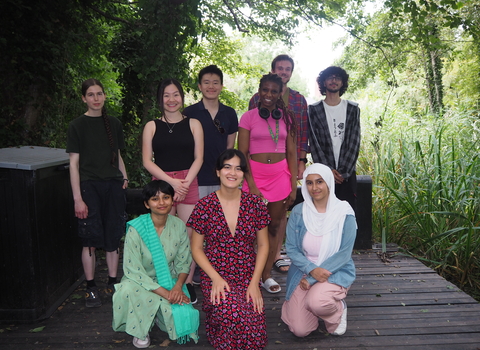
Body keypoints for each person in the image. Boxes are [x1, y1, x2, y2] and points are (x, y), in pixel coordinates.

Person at [187, 149, 270, 349]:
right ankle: (217, 323)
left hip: (247, 275)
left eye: (238, 168)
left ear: (243, 174)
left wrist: (255, 283)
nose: (232, 173)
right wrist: (215, 278)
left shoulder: (255, 204)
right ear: (218, 171)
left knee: (255, 336)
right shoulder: (204, 206)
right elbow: (196, 248)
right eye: (227, 167)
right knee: (231, 314)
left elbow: (263, 245)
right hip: (216, 274)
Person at [112, 180, 199, 348]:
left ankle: (156, 316)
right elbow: (133, 270)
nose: (161, 203)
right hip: (139, 282)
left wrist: (177, 287)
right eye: (155, 199)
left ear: (172, 200)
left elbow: (183, 262)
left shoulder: (179, 225)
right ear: (146, 204)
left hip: (167, 279)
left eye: (166, 197)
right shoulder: (136, 229)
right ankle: (140, 330)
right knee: (126, 290)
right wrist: (167, 295)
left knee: (182, 319)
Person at [66, 78, 128, 308]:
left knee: (113, 237)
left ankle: (113, 283)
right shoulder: (77, 126)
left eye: (99, 94)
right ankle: (91, 287)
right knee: (90, 240)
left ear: (104, 96)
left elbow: (118, 156)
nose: (96, 98)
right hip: (88, 187)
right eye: (90, 94)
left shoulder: (113, 123)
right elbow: (73, 164)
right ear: (84, 98)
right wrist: (77, 199)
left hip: (113, 185)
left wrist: (124, 177)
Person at [142, 78, 204, 303]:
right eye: (167, 95)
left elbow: (199, 158)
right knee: (163, 236)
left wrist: (184, 183)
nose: (171, 99)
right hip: (161, 183)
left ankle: (187, 283)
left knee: (189, 236)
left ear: (182, 96)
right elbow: (147, 161)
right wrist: (172, 183)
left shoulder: (194, 124)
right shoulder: (152, 126)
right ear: (161, 98)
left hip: (189, 181)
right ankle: (165, 282)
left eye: (175, 94)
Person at [281, 163, 357, 337]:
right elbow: (291, 248)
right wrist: (311, 270)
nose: (314, 188)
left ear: (329, 182)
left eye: (319, 182)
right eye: (309, 183)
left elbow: (344, 253)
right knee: (300, 330)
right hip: (304, 270)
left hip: (334, 270)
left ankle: (336, 310)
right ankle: (306, 306)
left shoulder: (344, 213)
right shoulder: (299, 212)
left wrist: (314, 278)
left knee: (317, 302)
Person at [238, 73, 297, 293]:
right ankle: (246, 274)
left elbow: (292, 153)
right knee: (249, 229)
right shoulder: (248, 117)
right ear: (259, 90)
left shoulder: (288, 118)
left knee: (273, 227)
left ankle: (265, 275)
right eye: (265, 90)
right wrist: (251, 184)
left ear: (280, 92)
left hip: (280, 177)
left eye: (274, 90)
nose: (269, 95)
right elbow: (242, 152)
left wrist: (292, 186)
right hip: (254, 177)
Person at [249, 54, 308, 273]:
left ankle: (274, 255)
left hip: (283, 167)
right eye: (280, 68)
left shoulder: (298, 101)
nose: (284, 72)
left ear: (291, 73)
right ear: (274, 70)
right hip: (258, 169)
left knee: (278, 216)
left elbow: (302, 134)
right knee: (255, 217)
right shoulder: (256, 100)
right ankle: (256, 256)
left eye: (288, 69)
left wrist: (301, 162)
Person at [308, 66, 361, 212]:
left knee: (347, 214)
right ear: (324, 82)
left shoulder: (352, 108)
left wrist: (343, 173)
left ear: (342, 83)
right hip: (323, 174)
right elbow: (314, 143)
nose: (334, 80)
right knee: (324, 214)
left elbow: (354, 142)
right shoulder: (313, 110)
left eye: (337, 77)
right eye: (330, 77)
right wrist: (328, 171)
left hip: (347, 175)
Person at [183, 65, 238, 199]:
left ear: (221, 86)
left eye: (215, 83)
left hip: (222, 178)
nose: (211, 87)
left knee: (221, 218)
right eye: (206, 82)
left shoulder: (229, 113)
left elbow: (230, 147)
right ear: (200, 86)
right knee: (198, 218)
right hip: (196, 178)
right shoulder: (189, 113)